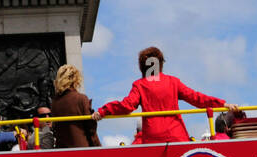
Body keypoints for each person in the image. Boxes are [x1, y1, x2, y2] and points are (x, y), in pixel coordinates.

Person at [95, 47, 233, 145]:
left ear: (142, 67)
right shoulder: (173, 82)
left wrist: (103, 111)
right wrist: (222, 104)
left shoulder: (139, 85)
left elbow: (127, 105)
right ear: (161, 64)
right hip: (177, 137)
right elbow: (196, 98)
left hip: (153, 141)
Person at [49, 66, 100, 149]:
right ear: (75, 79)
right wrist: (98, 146)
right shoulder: (81, 99)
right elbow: (90, 129)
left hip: (61, 150)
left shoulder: (54, 102)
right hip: (81, 149)